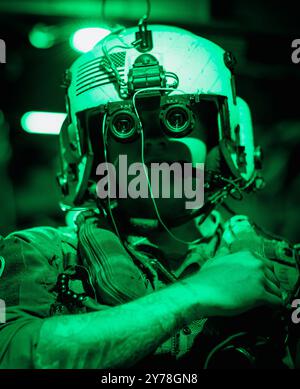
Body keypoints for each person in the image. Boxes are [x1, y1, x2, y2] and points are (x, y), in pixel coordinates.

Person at [0, 23, 297, 369]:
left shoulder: (282, 268)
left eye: (177, 119)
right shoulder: (41, 255)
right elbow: (11, 353)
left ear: (223, 138)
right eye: (124, 127)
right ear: (93, 152)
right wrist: (195, 294)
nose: (151, 144)